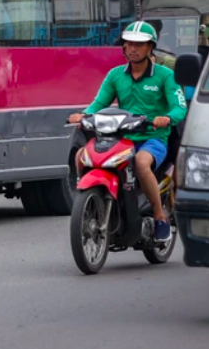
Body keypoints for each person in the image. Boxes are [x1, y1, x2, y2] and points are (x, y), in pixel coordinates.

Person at [68, 21, 188, 242]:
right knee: (81, 155)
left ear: (150, 47)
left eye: (139, 45)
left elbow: (179, 107)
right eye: (129, 44)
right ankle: (87, 201)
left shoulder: (164, 75)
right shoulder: (115, 75)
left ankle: (160, 217)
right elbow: (98, 103)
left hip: (153, 140)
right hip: (122, 139)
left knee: (141, 163)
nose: (133, 49)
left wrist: (167, 118)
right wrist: (83, 115)